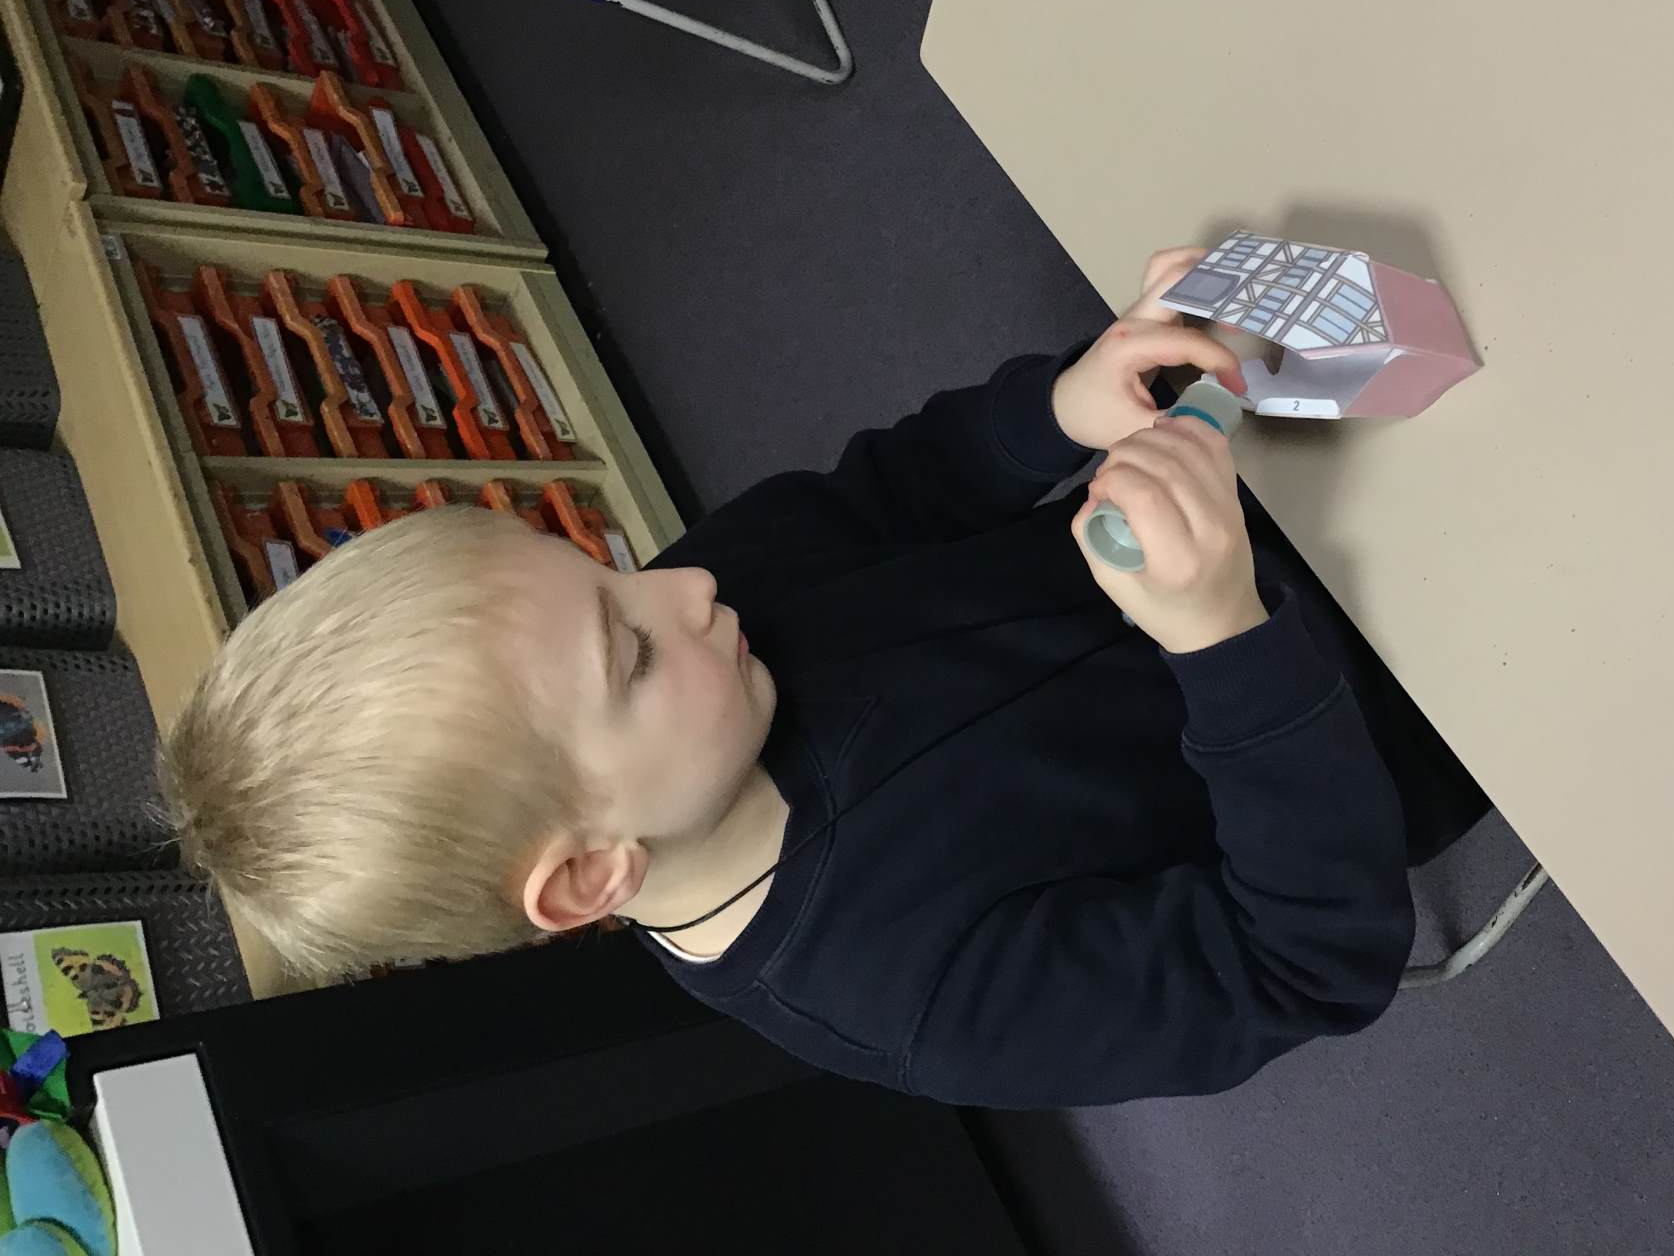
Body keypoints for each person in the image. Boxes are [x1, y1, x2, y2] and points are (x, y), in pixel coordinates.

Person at [162, 247, 1484, 1109]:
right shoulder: (918, 1000)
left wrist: (1063, 409)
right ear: (589, 876)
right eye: (628, 650)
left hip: (1305, 499)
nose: (683, 589)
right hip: (1442, 709)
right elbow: (1311, 959)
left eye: (608, 572)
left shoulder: (704, 623)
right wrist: (1221, 640)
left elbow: (893, 489)